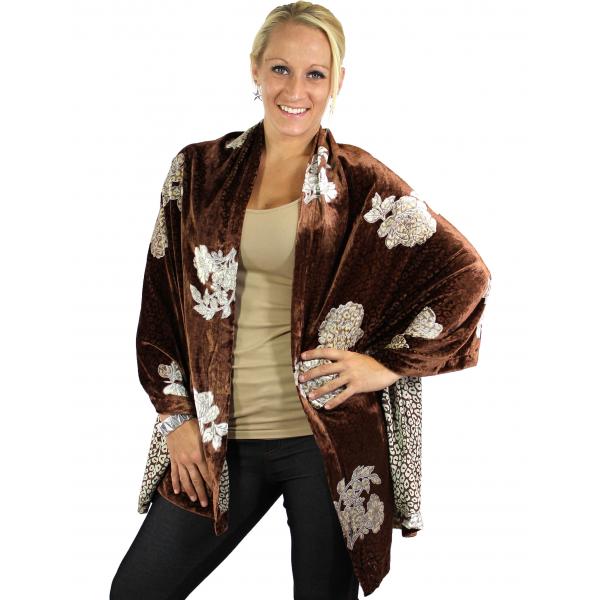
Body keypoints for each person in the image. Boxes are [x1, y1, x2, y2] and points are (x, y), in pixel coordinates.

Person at [111, 2, 491, 598]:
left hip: (327, 443)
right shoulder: (198, 170)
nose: (296, 90)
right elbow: (159, 304)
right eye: (281, 69)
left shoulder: (360, 182)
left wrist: (383, 367)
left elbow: (466, 274)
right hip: (218, 438)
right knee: (138, 590)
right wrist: (177, 417)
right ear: (255, 69)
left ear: (337, 81)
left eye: (316, 73)